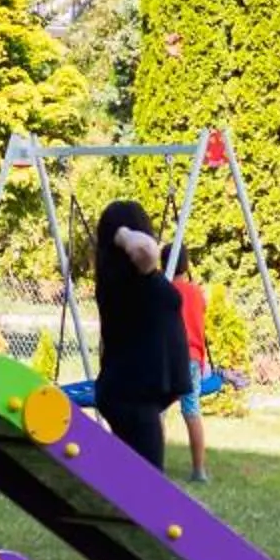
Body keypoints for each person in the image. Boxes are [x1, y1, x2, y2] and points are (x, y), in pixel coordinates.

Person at [90, 198, 189, 473]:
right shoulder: (132, 279)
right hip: (131, 396)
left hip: (130, 394)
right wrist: (121, 231)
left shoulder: (126, 280)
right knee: (147, 483)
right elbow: (145, 248)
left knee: (131, 478)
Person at [168, 245, 211, 485]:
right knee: (191, 410)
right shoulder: (197, 292)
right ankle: (199, 470)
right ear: (186, 266)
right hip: (193, 358)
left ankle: (153, 466)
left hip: (168, 358)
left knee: (157, 410)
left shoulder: (163, 290)